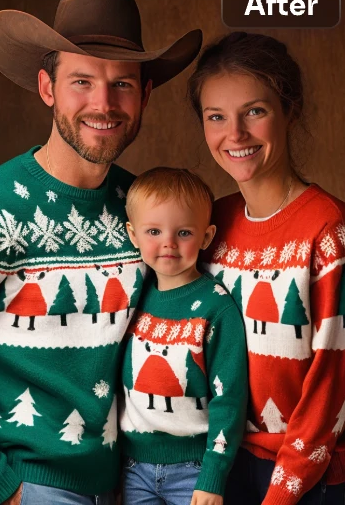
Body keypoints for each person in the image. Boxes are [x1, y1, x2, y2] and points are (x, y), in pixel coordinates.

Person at [0, 0, 202, 505]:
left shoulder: (141, 213)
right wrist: (0, 487)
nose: (103, 103)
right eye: (82, 81)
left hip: (120, 484)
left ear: (145, 94)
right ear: (47, 88)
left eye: (122, 85)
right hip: (23, 482)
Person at [190, 32, 345, 504]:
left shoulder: (331, 229)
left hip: (312, 475)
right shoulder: (212, 223)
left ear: (290, 110)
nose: (235, 135)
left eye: (254, 111)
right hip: (225, 463)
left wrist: (282, 493)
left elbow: (334, 381)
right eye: (216, 117)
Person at [120, 167, 247, 505]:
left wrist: (213, 475)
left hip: (194, 469)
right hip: (134, 467)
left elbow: (229, 398)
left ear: (206, 237)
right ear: (133, 235)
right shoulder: (132, 297)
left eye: (184, 232)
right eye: (153, 230)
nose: (168, 243)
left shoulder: (215, 307)